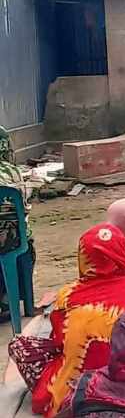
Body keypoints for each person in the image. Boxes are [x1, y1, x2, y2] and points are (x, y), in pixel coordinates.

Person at [8, 224, 125, 418]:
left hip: (79, 392)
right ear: (121, 251)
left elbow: (59, 342)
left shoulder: (69, 294)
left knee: (20, 345)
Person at [0, 125, 34, 323]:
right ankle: (9, 299)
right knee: (26, 243)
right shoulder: (14, 172)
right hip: (11, 244)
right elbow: (24, 209)